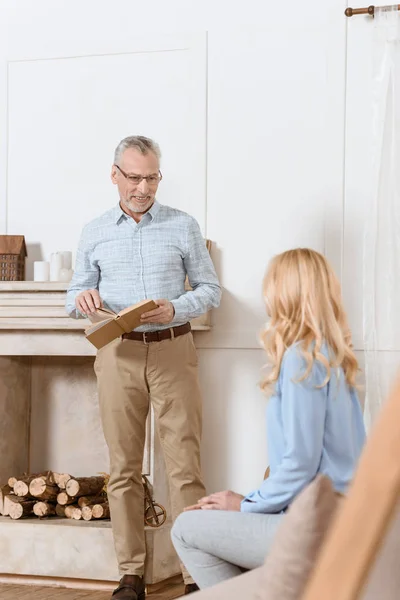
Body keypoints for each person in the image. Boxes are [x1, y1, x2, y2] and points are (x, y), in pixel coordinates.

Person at [66, 135, 221, 599]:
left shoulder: (183, 225)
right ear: (114, 174)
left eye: (151, 177)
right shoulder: (94, 230)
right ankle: (131, 574)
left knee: (185, 466)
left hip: (173, 348)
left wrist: (174, 308)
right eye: (133, 177)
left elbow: (210, 290)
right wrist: (83, 299)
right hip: (117, 352)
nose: (142, 187)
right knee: (123, 469)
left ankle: (195, 574)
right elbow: (74, 295)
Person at [171, 248, 366, 590]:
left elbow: (300, 464)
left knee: (186, 528)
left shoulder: (301, 360)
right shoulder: (332, 358)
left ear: (284, 293)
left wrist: (246, 504)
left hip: (315, 530)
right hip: (344, 521)